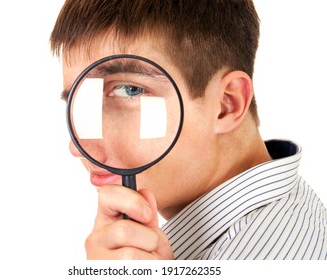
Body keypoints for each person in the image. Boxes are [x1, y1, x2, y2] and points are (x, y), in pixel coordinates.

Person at [50, 0, 327, 260]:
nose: (78, 148)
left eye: (130, 90)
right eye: (78, 99)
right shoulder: (278, 220)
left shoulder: (265, 256)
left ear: (226, 104)